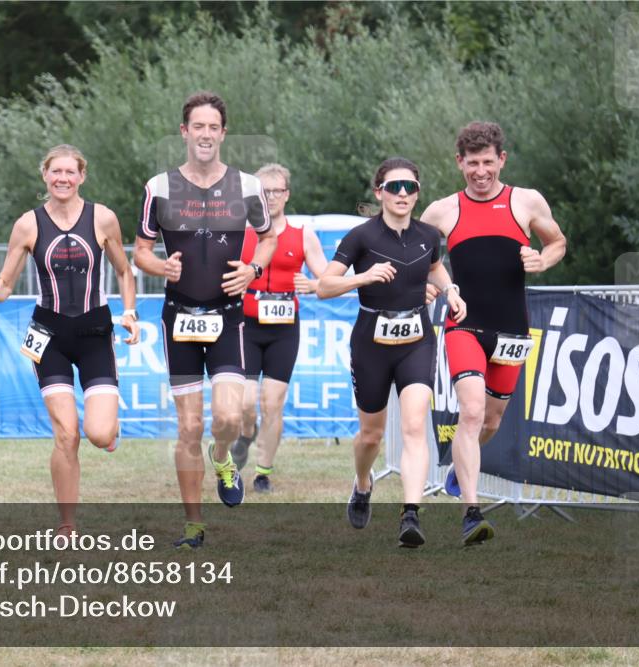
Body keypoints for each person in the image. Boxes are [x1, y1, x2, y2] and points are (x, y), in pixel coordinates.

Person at [134, 92, 277, 549]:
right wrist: (162, 267)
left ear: (223, 133)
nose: (206, 135)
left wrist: (254, 270)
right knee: (189, 427)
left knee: (229, 417)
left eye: (214, 127)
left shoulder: (248, 187)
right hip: (178, 316)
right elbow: (140, 252)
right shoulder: (158, 188)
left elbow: (269, 238)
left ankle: (223, 459)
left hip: (229, 316)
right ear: (184, 132)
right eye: (198, 126)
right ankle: (194, 525)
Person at [0, 144, 140, 536]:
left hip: (95, 332)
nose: (63, 178)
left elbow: (124, 271)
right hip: (48, 335)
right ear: (44, 176)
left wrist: (129, 312)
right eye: (55, 172)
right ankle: (67, 524)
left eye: (70, 172)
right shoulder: (27, 225)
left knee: (97, 434)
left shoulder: (103, 219)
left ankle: (110, 431)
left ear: (82, 176)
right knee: (66, 433)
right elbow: (5, 288)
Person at [421, 122, 566, 545]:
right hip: (464, 324)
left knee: (490, 419)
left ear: (502, 160)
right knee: (469, 412)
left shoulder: (526, 201)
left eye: (488, 162)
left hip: (511, 330)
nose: (480, 171)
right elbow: (421, 258)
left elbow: (557, 241)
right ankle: (472, 512)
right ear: (459, 163)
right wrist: (434, 285)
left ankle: (457, 470)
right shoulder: (442, 210)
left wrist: (544, 259)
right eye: (472, 163)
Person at [317, 157, 466, 548]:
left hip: (417, 338)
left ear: (418, 192)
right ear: (379, 191)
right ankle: (363, 483)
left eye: (410, 187)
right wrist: (363, 276)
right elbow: (324, 287)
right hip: (371, 342)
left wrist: (450, 291)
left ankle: (410, 514)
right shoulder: (361, 236)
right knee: (372, 435)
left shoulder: (429, 235)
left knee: (415, 425)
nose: (403, 194)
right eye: (395, 186)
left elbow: (435, 269)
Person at [230, 163, 328, 493]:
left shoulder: (303, 235)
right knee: (245, 403)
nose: (270, 197)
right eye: (263, 191)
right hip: (246, 323)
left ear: (286, 195)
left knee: (273, 402)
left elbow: (328, 277)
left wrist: (313, 285)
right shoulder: (238, 233)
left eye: (276, 191)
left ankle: (262, 472)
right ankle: (246, 433)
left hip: (284, 327)